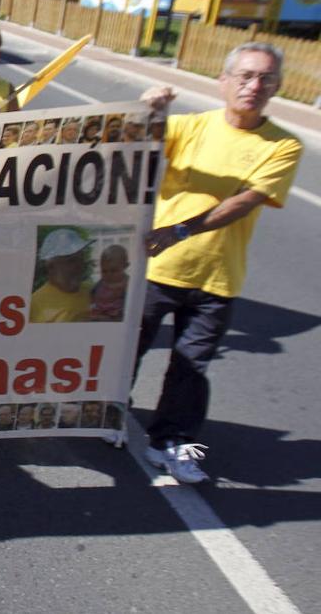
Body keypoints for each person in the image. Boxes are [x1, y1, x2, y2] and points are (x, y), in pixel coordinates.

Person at [136, 43, 301, 484]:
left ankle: (173, 445)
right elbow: (132, 148)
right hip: (155, 271)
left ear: (277, 87)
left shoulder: (284, 145)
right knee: (123, 354)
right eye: (245, 76)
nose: (254, 86)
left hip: (217, 279)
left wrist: (179, 231)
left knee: (191, 369)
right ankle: (105, 417)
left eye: (265, 78)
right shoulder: (190, 126)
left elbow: (246, 200)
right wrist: (147, 112)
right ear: (223, 81)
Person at [29, 228, 93, 323]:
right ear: (51, 266)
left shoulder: (95, 291)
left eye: (81, 258)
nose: (79, 266)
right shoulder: (34, 304)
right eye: (71, 261)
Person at [90, 244, 130, 321]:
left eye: (113, 271)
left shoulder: (128, 285)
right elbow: (92, 296)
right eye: (104, 271)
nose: (109, 275)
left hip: (119, 319)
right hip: (100, 317)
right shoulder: (100, 284)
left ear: (125, 266)